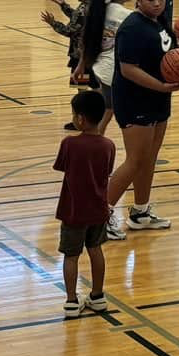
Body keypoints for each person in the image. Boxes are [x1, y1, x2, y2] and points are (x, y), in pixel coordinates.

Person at [104, 0, 178, 237]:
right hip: (135, 99)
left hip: (159, 97)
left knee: (149, 159)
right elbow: (128, 69)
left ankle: (140, 212)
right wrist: (162, 86)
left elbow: (170, 58)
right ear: (138, 0)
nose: (157, 3)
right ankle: (99, 217)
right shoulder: (132, 27)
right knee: (135, 161)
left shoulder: (162, 22)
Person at [55, 89, 115, 318]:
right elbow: (107, 171)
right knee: (95, 250)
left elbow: (62, 166)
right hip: (98, 209)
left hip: (73, 211)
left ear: (80, 118)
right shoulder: (109, 145)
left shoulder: (70, 144)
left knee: (71, 255)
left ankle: (71, 300)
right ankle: (98, 296)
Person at [76, 0, 131, 91]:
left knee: (95, 96)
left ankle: (83, 105)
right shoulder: (125, 15)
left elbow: (84, 38)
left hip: (94, 62)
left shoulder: (96, 9)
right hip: (107, 66)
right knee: (105, 104)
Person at [43, 0, 99, 86]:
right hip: (95, 52)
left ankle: (85, 103)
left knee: (81, 85)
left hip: (80, 55)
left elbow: (69, 31)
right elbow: (78, 18)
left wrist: (53, 23)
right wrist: (63, 5)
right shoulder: (95, 6)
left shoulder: (82, 10)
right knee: (96, 84)